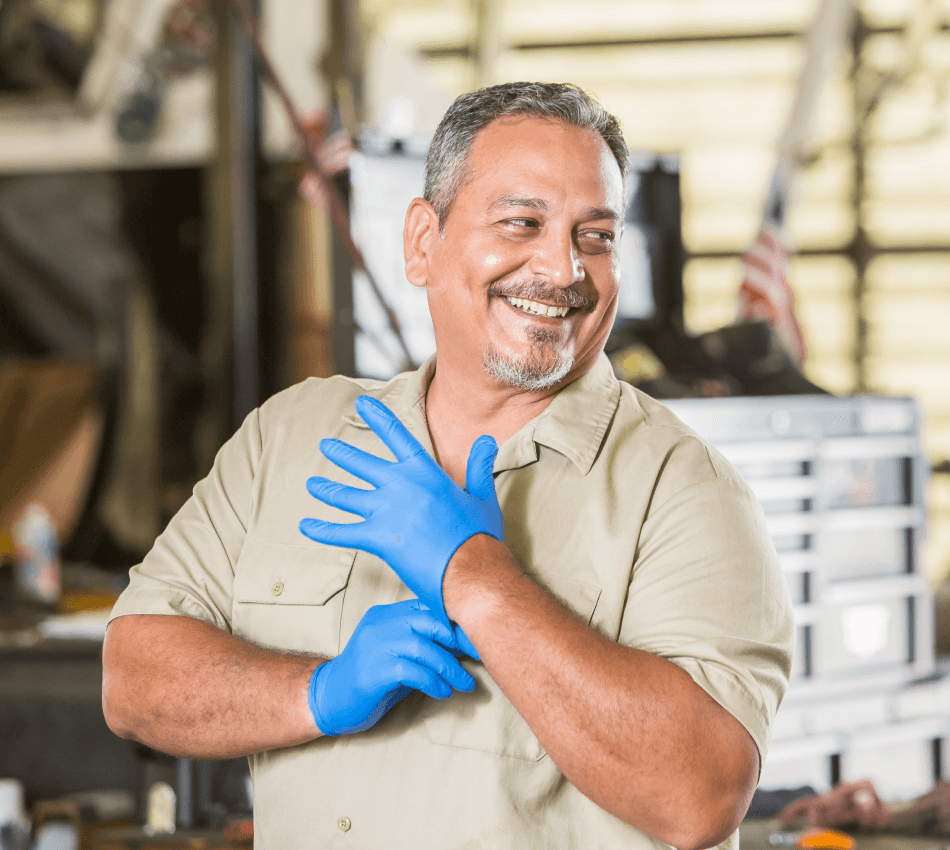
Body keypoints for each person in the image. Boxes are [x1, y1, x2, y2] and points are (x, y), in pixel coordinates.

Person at [102, 82, 794, 850]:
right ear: (422, 242)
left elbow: (698, 798)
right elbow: (134, 681)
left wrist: (476, 576)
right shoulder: (289, 437)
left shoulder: (686, 491)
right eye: (522, 222)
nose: (562, 269)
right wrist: (318, 692)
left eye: (594, 236)